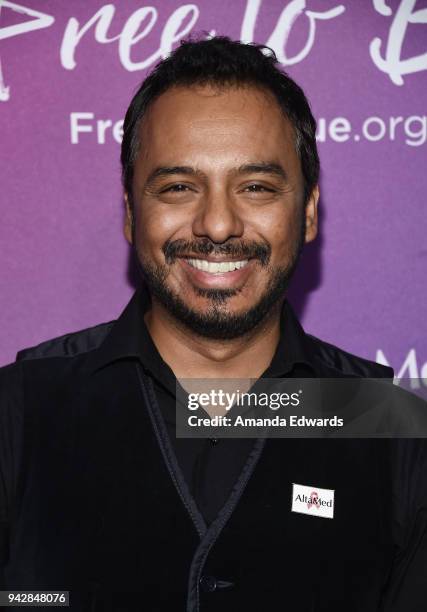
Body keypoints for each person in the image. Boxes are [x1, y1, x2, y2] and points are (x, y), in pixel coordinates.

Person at [0, 36, 426, 612]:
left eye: (255, 187)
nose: (218, 224)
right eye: (179, 187)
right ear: (131, 213)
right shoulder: (22, 407)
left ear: (306, 213)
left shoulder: (392, 429)